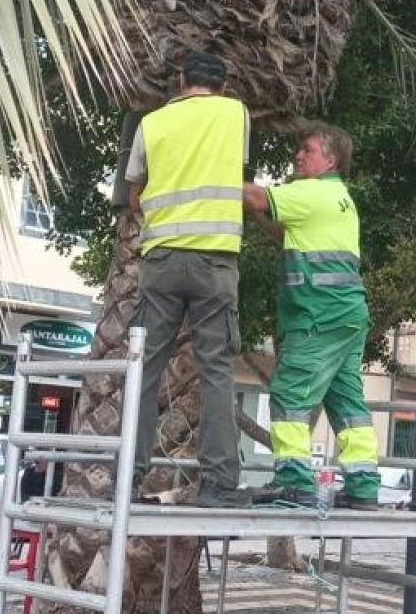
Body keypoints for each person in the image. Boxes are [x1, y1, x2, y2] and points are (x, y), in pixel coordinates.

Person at [124, 50, 252, 508]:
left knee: (145, 369)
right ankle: (219, 484)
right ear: (223, 83)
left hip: (161, 261)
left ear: (180, 80)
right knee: (215, 370)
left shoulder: (152, 124)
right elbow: (232, 171)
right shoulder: (235, 114)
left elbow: (134, 190)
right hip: (215, 262)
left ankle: (130, 478)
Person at [241, 121, 380, 510]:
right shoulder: (339, 199)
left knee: (288, 394)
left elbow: (254, 197)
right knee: (347, 404)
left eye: (308, 150)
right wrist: (259, 213)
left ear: (330, 159)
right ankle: (363, 486)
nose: (297, 156)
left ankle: (294, 481)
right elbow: (286, 234)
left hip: (318, 314)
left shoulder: (310, 192)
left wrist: (214, 178)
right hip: (348, 316)